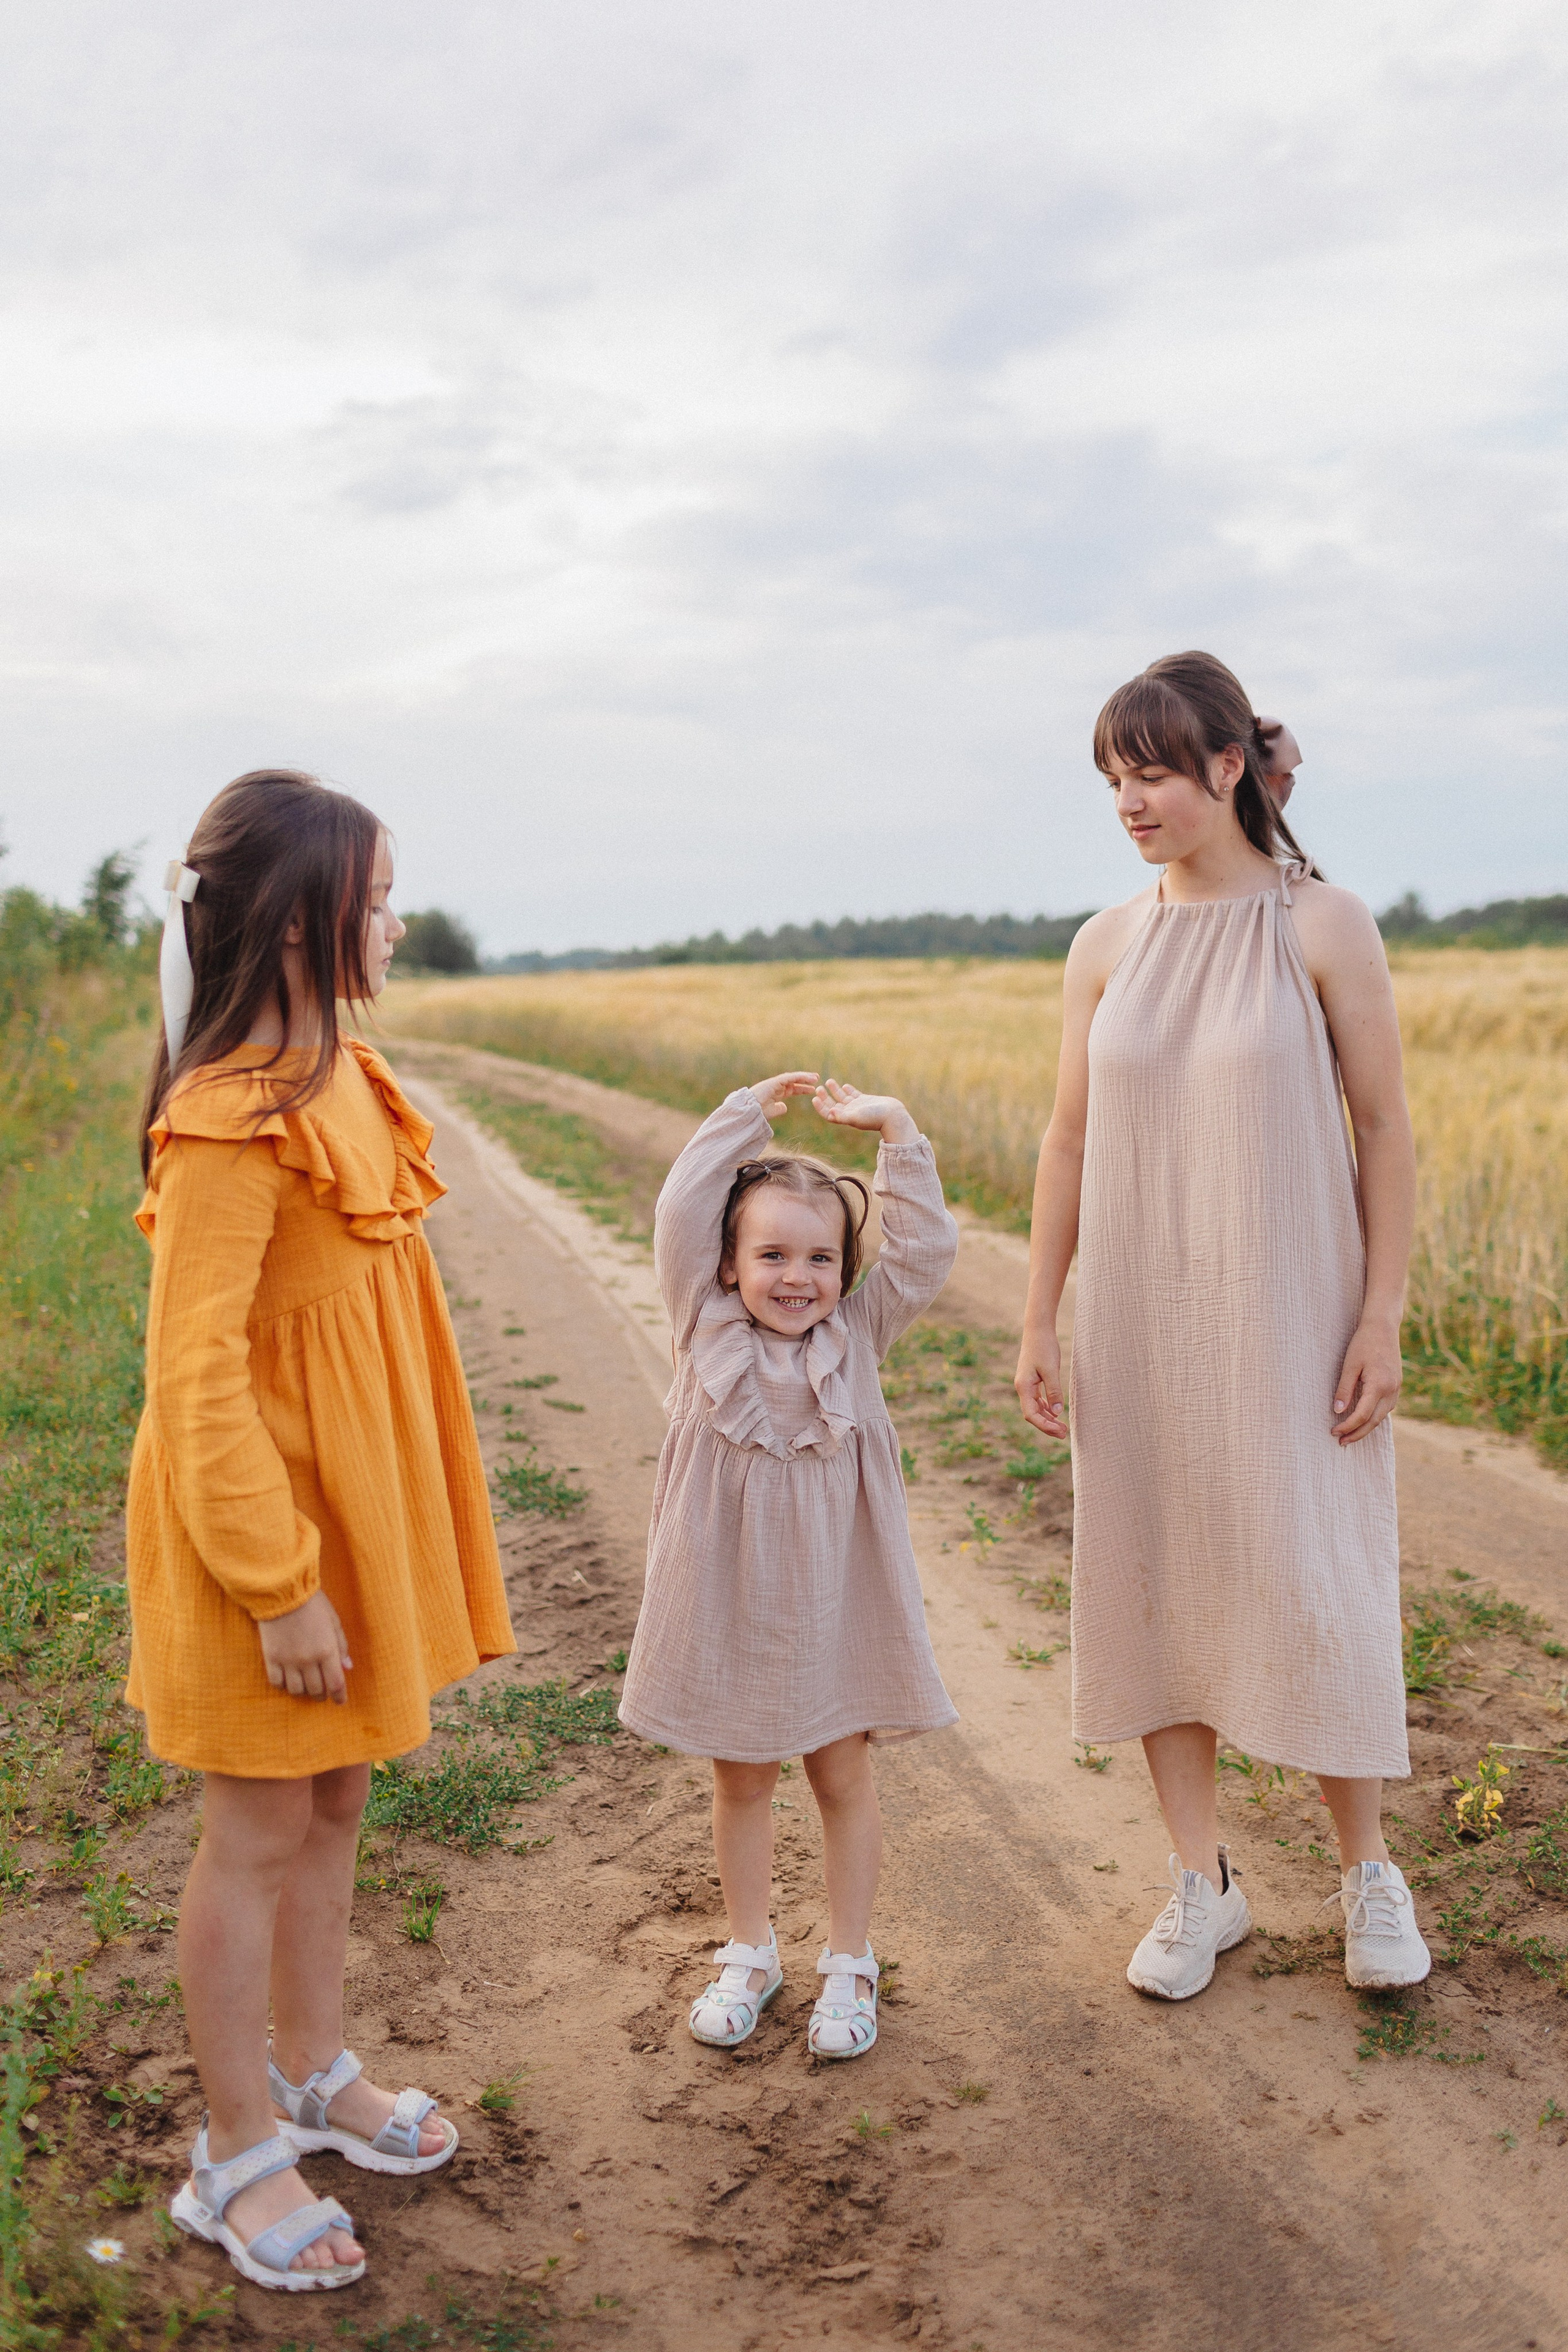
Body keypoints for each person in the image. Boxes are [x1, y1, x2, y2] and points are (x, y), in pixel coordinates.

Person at [127, 771, 515, 2291]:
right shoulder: (228, 1127)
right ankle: (233, 2155)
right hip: (262, 1549)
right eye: (374, 898)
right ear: (298, 922)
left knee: (337, 1804)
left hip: (344, 1530)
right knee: (258, 1830)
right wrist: (278, 1582)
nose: (396, 922)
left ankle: (310, 2071)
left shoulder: (346, 1077)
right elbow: (194, 1379)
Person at [1014, 652, 1429, 2001]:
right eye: (1110, 778)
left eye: (1148, 773)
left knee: (1316, 1574)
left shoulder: (1323, 926)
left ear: (1225, 768)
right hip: (1138, 1316)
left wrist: (1381, 1311)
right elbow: (1067, 1138)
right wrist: (1036, 1312)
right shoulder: (1103, 944)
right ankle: (1200, 1884)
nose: (1126, 801)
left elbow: (1382, 1129)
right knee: (1157, 1578)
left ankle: (1367, 1871)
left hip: (1292, 1307)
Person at [620, 1074, 958, 2059]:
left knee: (842, 1774)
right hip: (726, 1602)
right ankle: (751, 1948)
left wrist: (897, 1134)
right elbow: (683, 1204)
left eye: (821, 1257)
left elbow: (927, 1249)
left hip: (834, 1605)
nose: (798, 1277)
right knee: (741, 1779)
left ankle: (850, 1961)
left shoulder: (857, 1336)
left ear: (846, 1273)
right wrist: (739, 1114)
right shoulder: (702, 1326)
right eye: (771, 1254)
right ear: (726, 1266)